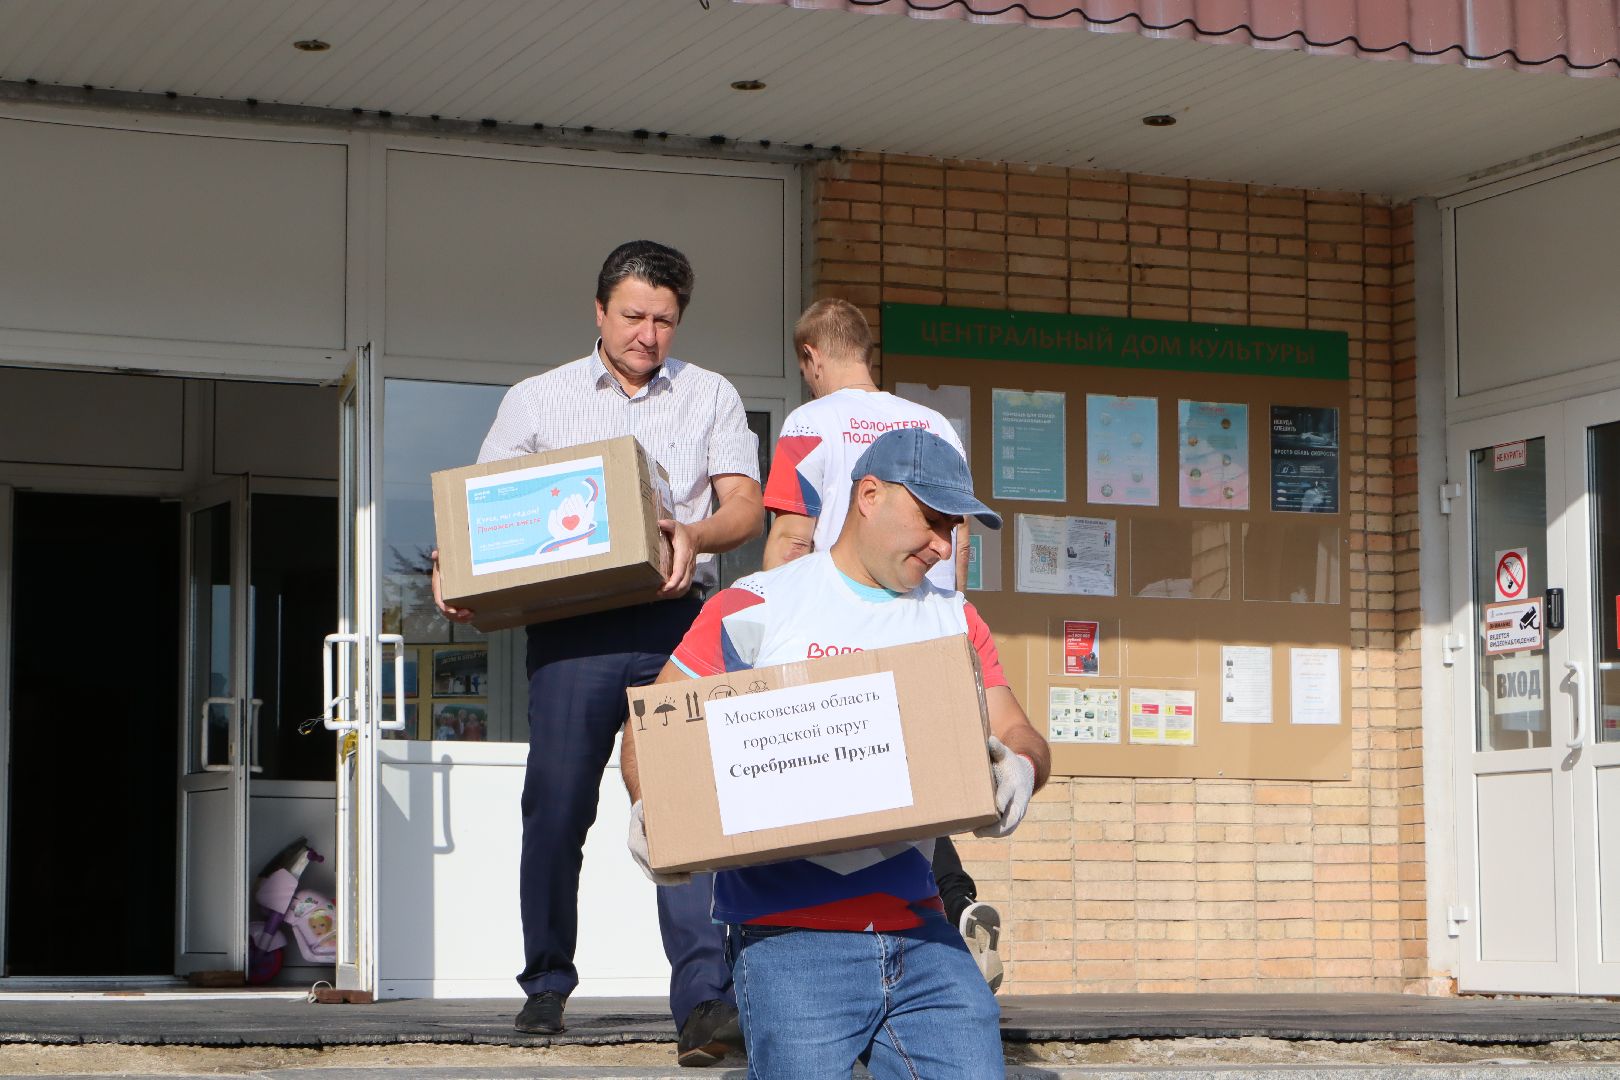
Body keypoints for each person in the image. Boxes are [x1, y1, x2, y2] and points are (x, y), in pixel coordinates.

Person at [623, 428, 1050, 1078]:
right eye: (932, 521)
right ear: (869, 496)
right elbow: (650, 732)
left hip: (921, 931)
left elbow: (1019, 732)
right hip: (788, 935)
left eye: (954, 527)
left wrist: (1018, 769)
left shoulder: (954, 621)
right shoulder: (757, 608)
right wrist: (656, 811)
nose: (944, 544)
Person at [432, 240, 761, 1066]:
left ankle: (705, 1006)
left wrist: (692, 531)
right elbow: (485, 511)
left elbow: (746, 506)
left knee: (683, 808)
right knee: (556, 806)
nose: (649, 335)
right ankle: (546, 984)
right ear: (598, 312)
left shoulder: (710, 395)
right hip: (574, 630)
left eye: (664, 321)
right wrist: (450, 564)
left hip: (676, 623)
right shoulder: (537, 400)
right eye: (633, 316)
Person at [760, 297, 1004, 989]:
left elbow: (791, 536)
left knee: (831, 776)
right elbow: (952, 538)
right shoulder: (934, 426)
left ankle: (817, 943)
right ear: (865, 352)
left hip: (838, 623)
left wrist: (771, 629)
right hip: (928, 617)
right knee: (917, 776)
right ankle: (952, 906)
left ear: (811, 358)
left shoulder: (810, 422)